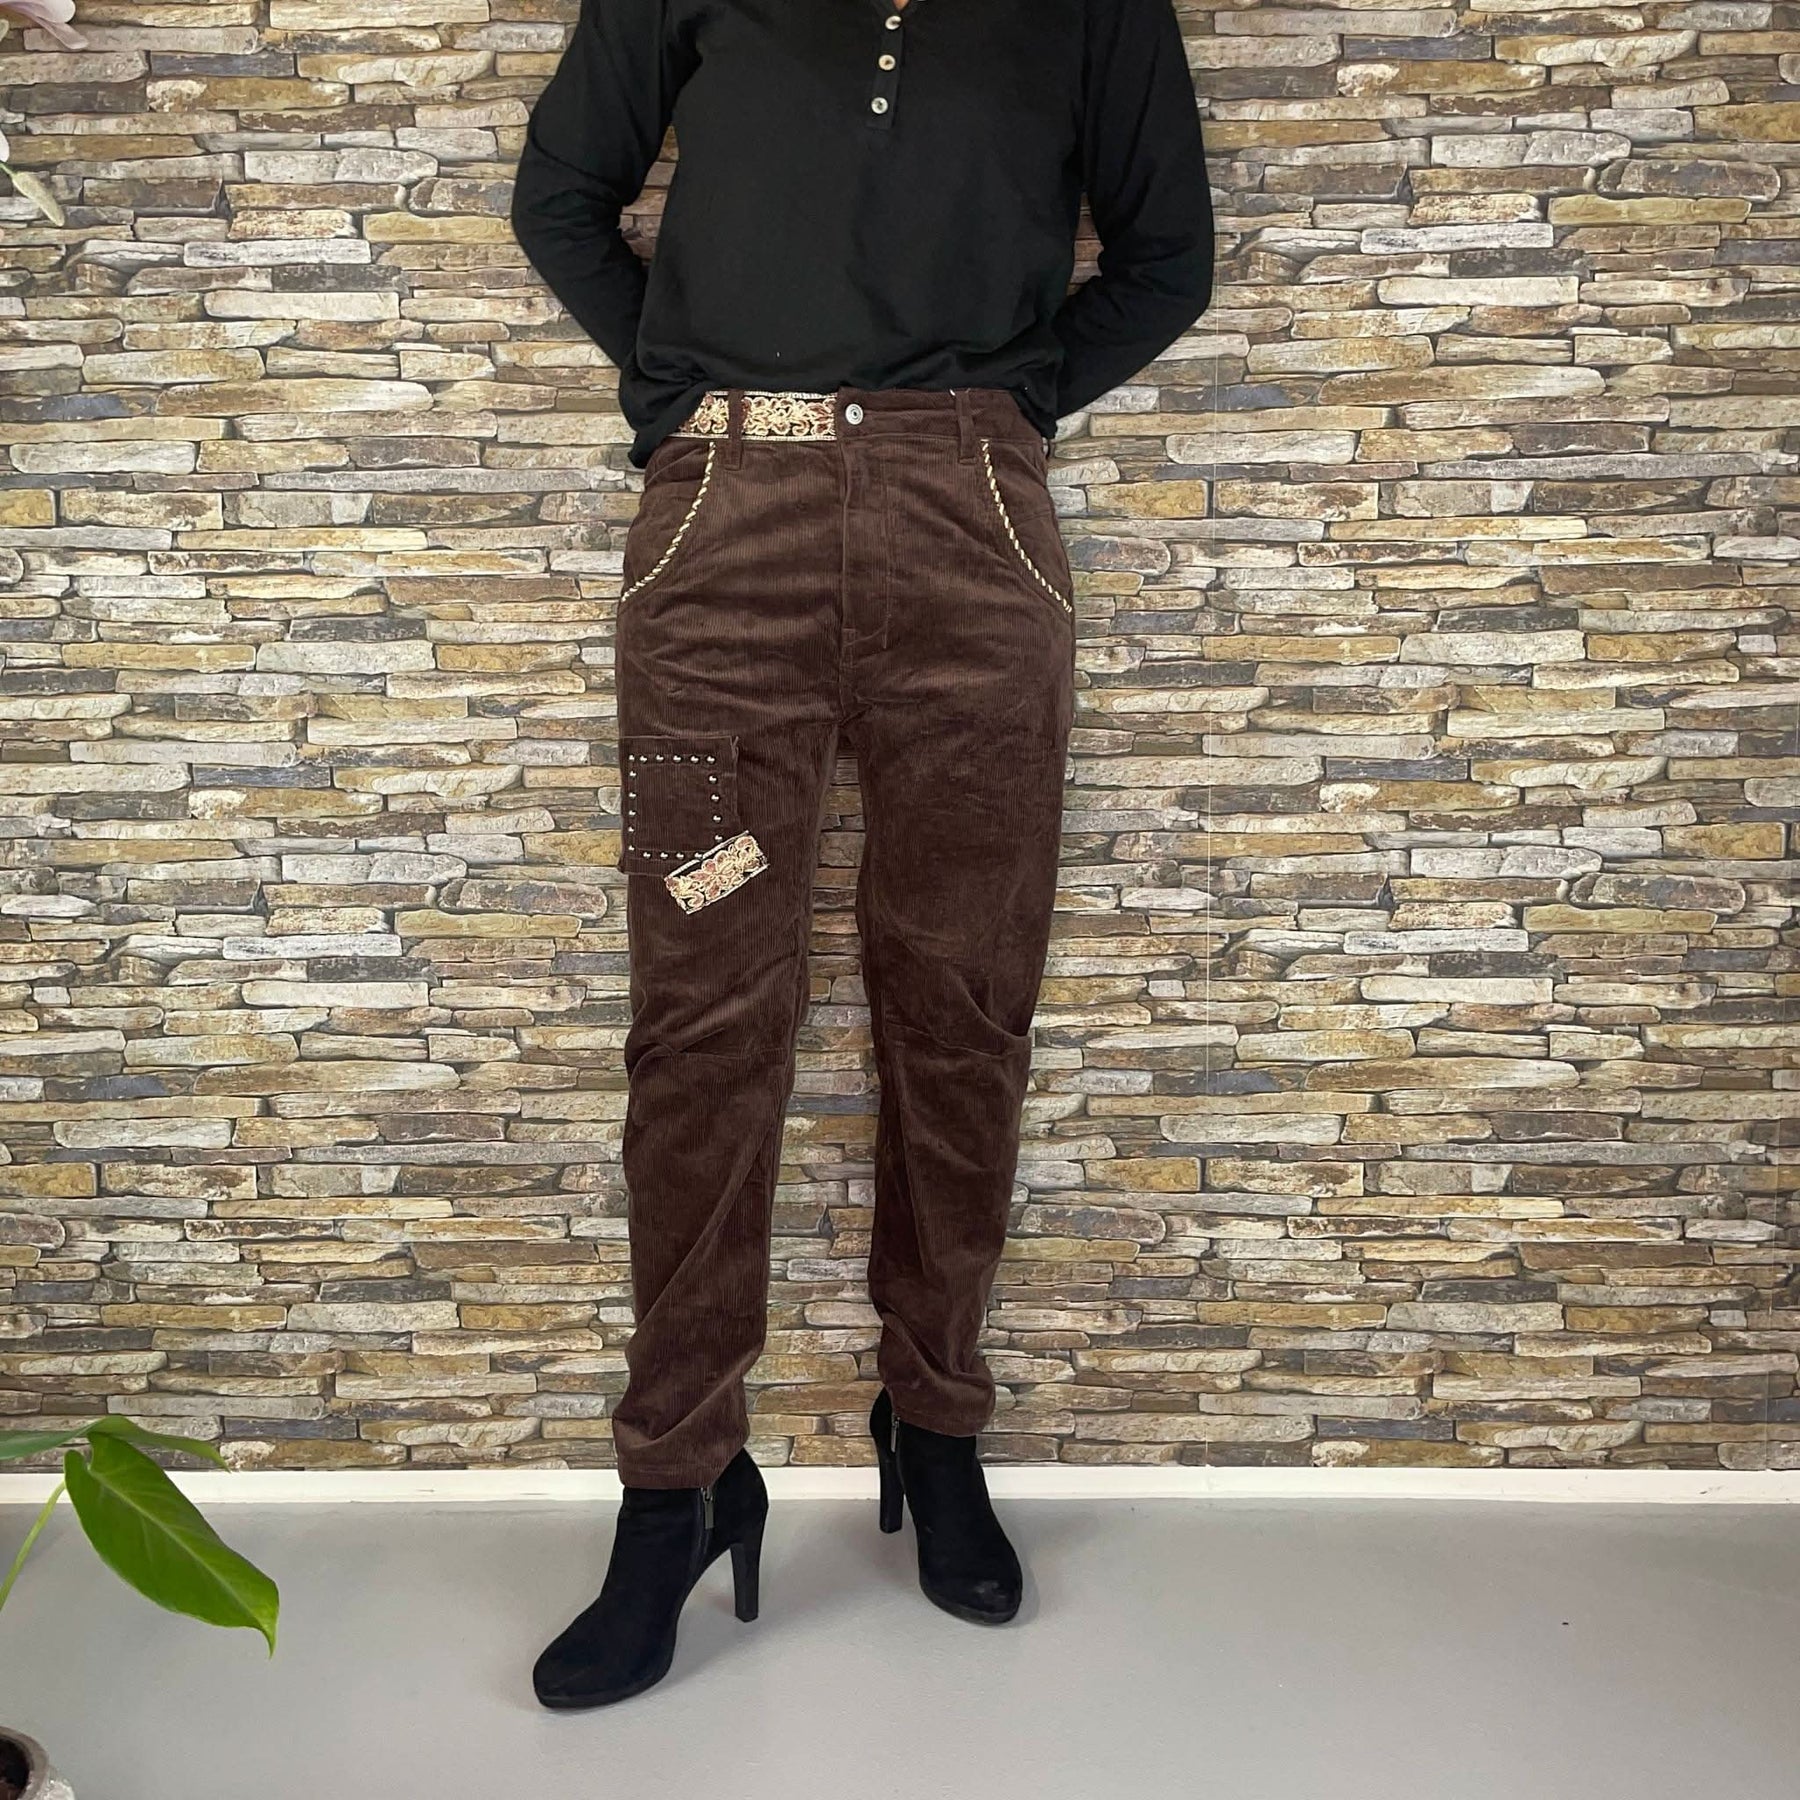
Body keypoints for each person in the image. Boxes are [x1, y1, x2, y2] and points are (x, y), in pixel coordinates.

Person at [510, 0, 1215, 1709]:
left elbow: (1166, 261)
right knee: (702, 1026)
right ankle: (677, 1484)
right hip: (719, 533)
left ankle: (936, 1419)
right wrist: (682, 395)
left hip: (976, 540)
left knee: (961, 1006)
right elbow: (560, 197)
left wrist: (997, 412)